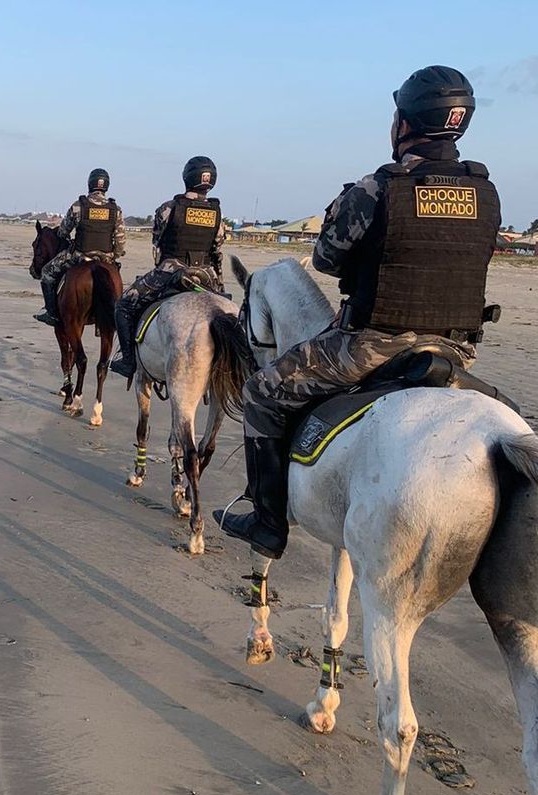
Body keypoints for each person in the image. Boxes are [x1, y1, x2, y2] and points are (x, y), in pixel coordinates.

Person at [213, 65, 501, 559]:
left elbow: (325, 258)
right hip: (455, 348)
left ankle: (267, 521)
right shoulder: (487, 192)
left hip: (372, 345)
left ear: (405, 122)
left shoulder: (379, 187)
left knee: (262, 391)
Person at [110, 156, 225, 378]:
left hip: (171, 270)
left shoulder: (168, 208)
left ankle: (128, 360)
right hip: (206, 274)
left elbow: (158, 243)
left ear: (187, 177)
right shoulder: (217, 215)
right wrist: (218, 284)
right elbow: (217, 250)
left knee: (124, 304)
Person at [33, 168, 126, 326]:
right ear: (106, 186)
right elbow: (120, 240)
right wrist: (114, 255)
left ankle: (52, 313)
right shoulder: (115, 209)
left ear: (90, 184)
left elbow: (63, 232)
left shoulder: (79, 206)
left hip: (79, 255)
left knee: (47, 272)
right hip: (106, 257)